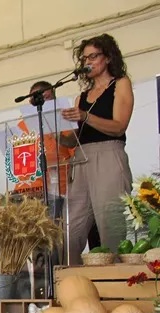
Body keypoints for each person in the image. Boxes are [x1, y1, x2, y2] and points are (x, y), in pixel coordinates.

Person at [61, 34, 133, 265]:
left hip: (109, 154)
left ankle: (119, 288)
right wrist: (58, 134)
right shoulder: (80, 97)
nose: (87, 63)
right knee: (71, 227)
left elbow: (119, 126)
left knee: (111, 225)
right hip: (81, 159)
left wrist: (85, 116)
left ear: (108, 57)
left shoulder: (120, 84)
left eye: (93, 56)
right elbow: (75, 138)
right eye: (84, 59)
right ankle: (70, 283)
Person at [25, 80, 101, 249]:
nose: (43, 101)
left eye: (47, 97)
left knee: (62, 241)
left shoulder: (63, 118)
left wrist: (57, 134)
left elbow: (75, 151)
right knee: (38, 243)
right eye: (37, 98)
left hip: (61, 190)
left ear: (54, 97)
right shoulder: (23, 125)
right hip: (33, 191)